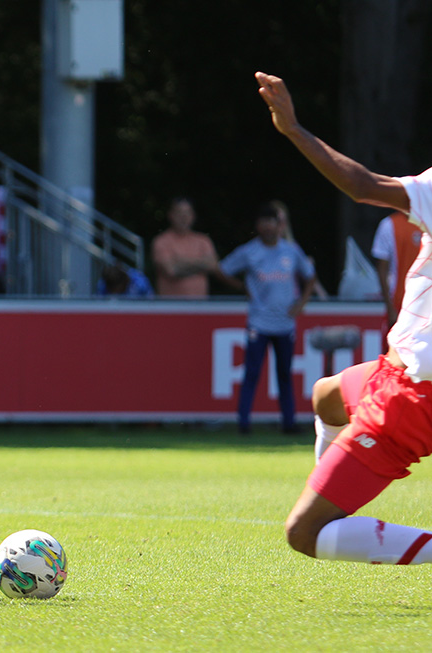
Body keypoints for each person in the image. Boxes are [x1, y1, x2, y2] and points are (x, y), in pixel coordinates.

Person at [257, 70, 432, 566]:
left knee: (303, 534)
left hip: (411, 396)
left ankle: (330, 514)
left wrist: (293, 129)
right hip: (398, 375)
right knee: (326, 395)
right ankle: (334, 489)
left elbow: (361, 186)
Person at [219, 205, 316, 435]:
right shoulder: (249, 252)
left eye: (272, 222)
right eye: (264, 223)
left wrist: (301, 303)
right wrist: (242, 287)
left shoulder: (290, 251)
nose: (268, 227)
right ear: (258, 227)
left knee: (284, 374)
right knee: (251, 372)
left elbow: (310, 276)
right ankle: (243, 422)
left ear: (278, 225)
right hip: (259, 322)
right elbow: (222, 269)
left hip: (284, 322)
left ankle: (289, 422)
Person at [150, 197, 219, 297]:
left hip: (200, 307)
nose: (184, 217)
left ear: (193, 215)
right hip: (170, 308)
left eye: (187, 212)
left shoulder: (203, 241)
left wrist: (180, 261)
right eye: (179, 212)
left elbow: (213, 266)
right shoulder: (161, 241)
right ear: (171, 215)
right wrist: (201, 264)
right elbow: (171, 270)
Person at [371, 211, 421, 327]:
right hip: (399, 303)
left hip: (426, 305)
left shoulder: (428, 222)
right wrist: (390, 308)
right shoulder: (389, 224)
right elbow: (382, 269)